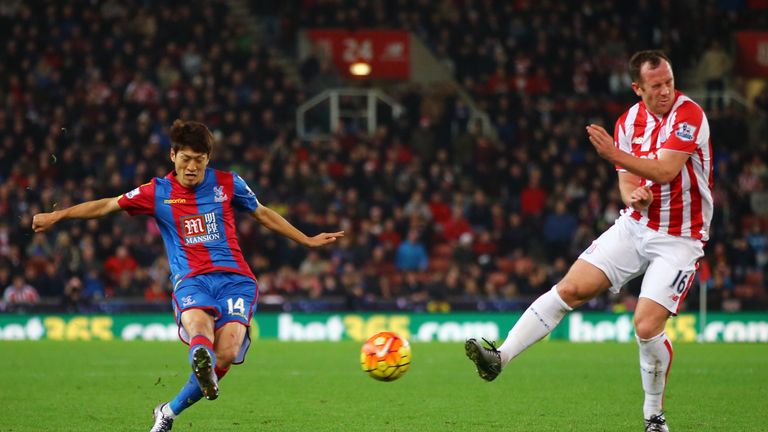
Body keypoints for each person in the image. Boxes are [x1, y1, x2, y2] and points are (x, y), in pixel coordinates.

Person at [32, 120, 344, 432]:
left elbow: (262, 213)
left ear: (208, 158)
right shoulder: (157, 192)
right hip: (192, 279)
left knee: (228, 351)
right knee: (199, 325)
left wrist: (306, 239)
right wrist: (58, 215)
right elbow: (107, 205)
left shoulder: (228, 183)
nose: (192, 166)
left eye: (199, 159)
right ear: (173, 155)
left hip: (236, 279)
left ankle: (168, 409)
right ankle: (196, 365)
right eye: (186, 159)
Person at [465, 50, 712, 432]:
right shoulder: (629, 121)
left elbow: (665, 170)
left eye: (669, 82)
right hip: (636, 225)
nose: (665, 91)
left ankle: (654, 418)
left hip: (680, 236)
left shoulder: (688, 115)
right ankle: (501, 356)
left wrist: (615, 153)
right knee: (571, 288)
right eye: (656, 85)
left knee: (646, 326)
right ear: (637, 88)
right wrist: (633, 196)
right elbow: (628, 181)